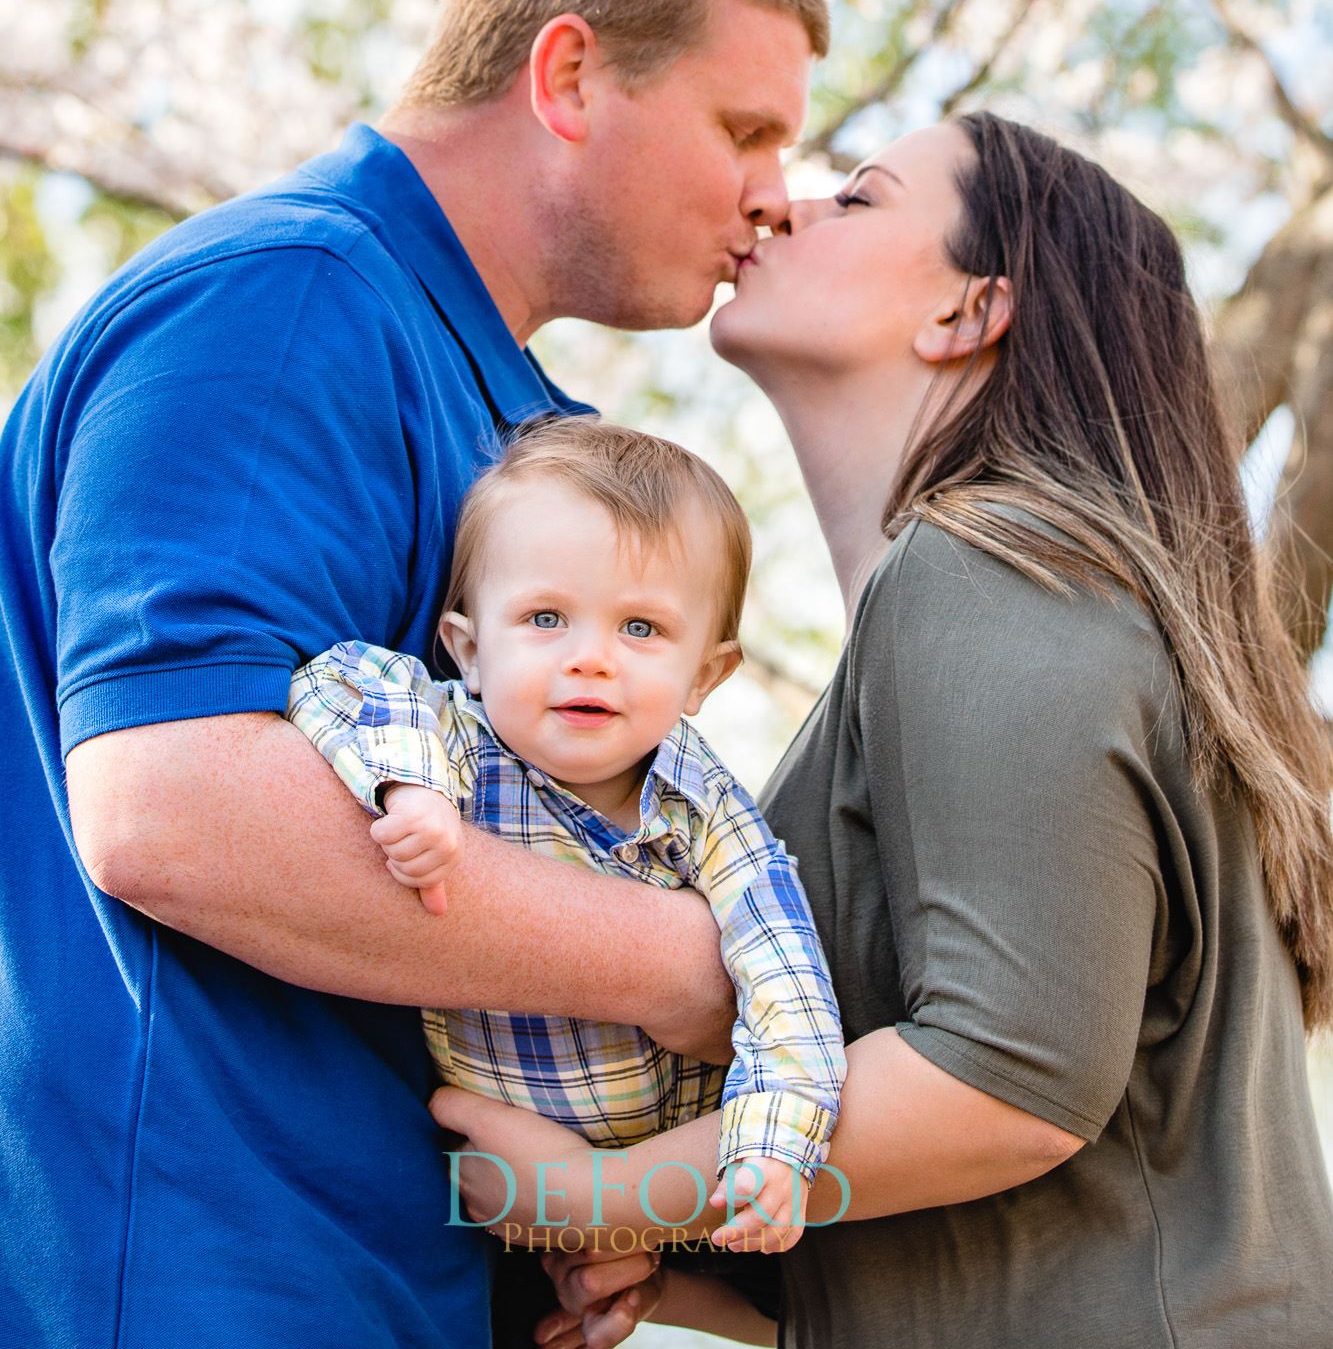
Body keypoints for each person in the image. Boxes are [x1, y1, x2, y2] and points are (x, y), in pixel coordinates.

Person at [0, 0, 828, 1349]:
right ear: (569, 75)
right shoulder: (289, 300)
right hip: (188, 1281)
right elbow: (169, 806)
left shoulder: (526, 426)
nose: (775, 195)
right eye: (743, 130)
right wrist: (689, 967)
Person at [436, 112, 1333, 1349]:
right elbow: (986, 1211)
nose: (781, 208)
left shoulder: (992, 574)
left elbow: (1007, 1080)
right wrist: (681, 1273)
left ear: (967, 313)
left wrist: (598, 1193)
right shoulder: (957, 613)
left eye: (856, 198)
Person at [285, 418, 845, 1261]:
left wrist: (772, 1148)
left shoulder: (710, 814)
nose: (590, 659)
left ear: (705, 675)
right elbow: (338, 679)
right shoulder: (453, 741)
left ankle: (620, 1265)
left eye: (641, 629)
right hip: (477, 1149)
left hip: (654, 1151)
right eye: (545, 618)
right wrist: (416, 790)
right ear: (470, 651)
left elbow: (787, 983)